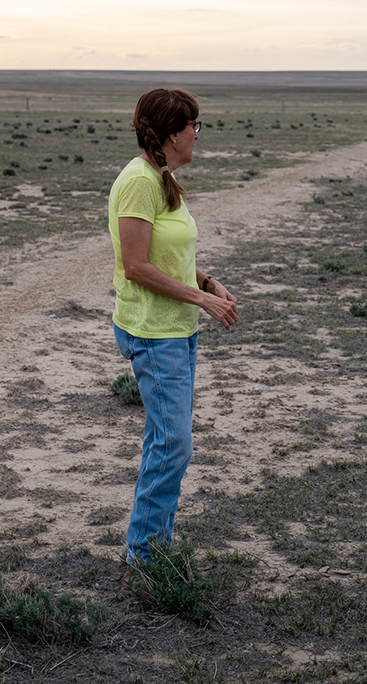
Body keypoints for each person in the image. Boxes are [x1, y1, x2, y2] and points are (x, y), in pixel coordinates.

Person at [108, 87, 239, 565]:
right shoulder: (139, 182)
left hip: (177, 329)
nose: (197, 134)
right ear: (171, 134)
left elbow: (168, 254)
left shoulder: (163, 178)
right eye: (192, 126)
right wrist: (202, 299)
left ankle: (154, 549)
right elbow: (136, 266)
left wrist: (207, 281)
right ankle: (144, 559)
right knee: (174, 445)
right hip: (153, 331)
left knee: (165, 442)